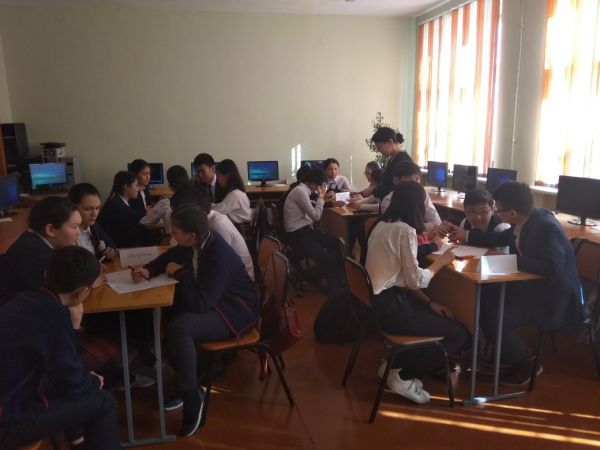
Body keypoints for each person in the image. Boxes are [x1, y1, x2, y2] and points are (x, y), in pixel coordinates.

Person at [130, 205, 260, 437]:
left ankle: (191, 394)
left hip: (237, 311)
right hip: (217, 301)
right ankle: (185, 380)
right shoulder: (199, 241)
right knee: (173, 313)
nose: (171, 235)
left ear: (191, 236)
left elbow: (200, 304)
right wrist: (149, 269)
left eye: (175, 232)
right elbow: (171, 255)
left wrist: (180, 273)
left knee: (180, 327)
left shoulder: (218, 254)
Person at [446, 182, 582, 386]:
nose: (496, 212)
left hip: (552, 297)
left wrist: (510, 260)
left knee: (495, 317)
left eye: (498, 208)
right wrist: (466, 235)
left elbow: (552, 267)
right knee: (485, 302)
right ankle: (503, 355)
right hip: (531, 287)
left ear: (512, 212)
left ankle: (528, 362)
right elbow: (501, 237)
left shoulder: (545, 227)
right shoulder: (526, 219)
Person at [0, 246, 122, 450]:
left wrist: (83, 380)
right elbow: (72, 385)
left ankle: (78, 443)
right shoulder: (53, 316)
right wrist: (93, 381)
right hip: (9, 420)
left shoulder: (23, 300)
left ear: (46, 274)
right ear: (81, 292)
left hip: (14, 396)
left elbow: (63, 370)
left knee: (71, 388)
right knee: (102, 401)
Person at [366, 181, 468, 404]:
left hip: (379, 305)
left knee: (433, 316)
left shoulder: (382, 225)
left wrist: (430, 303)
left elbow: (404, 277)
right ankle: (403, 375)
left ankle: (394, 365)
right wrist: (442, 261)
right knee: (459, 334)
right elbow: (416, 280)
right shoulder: (405, 230)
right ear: (418, 206)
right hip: (393, 310)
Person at [0, 196, 81, 306]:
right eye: (75, 227)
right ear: (51, 230)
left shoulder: (32, 240)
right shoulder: (35, 256)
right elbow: (60, 298)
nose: (79, 232)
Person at [170, 183, 255, 280]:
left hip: (237, 280)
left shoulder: (218, 226)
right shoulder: (200, 223)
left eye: (182, 212)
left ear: (195, 210)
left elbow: (217, 267)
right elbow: (180, 251)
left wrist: (181, 272)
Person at [283, 168, 345, 289]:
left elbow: (311, 205)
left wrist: (327, 202)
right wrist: (321, 197)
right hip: (298, 235)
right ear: (313, 182)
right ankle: (303, 277)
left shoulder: (302, 190)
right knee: (330, 262)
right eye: (319, 186)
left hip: (305, 231)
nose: (318, 189)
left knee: (335, 243)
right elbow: (316, 216)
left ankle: (335, 280)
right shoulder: (300, 192)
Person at [97, 171, 161, 248]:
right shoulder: (117, 205)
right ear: (126, 187)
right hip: (118, 248)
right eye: (136, 186)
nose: (138, 189)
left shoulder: (115, 200)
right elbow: (133, 218)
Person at [380, 161, 442, 232]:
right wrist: (421, 228)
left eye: (417, 179)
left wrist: (417, 228)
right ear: (396, 181)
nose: (415, 184)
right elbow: (400, 231)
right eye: (410, 180)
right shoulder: (387, 201)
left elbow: (437, 222)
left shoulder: (421, 194)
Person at [68, 183, 118, 262]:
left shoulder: (94, 226)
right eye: (88, 209)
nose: (94, 214)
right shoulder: (66, 232)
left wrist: (111, 251)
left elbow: (111, 244)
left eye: (97, 208)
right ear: (73, 208)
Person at [453, 188, 510, 253]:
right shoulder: (464, 223)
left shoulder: (502, 228)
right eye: (472, 211)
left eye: (483, 211)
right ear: (465, 212)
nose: (478, 217)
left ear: (492, 210)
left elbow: (504, 256)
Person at [139, 165, 190, 234]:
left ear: (170, 186)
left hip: (174, 238)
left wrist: (149, 213)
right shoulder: (197, 199)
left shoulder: (165, 203)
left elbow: (145, 222)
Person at [371, 127, 413, 200]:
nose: (378, 150)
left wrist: (373, 192)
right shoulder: (392, 159)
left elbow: (395, 189)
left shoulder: (403, 161)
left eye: (379, 147)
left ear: (390, 142)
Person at [212, 159, 252, 224]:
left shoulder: (235, 194)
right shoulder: (237, 192)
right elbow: (222, 206)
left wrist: (204, 208)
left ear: (227, 175)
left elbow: (218, 210)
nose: (217, 179)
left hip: (239, 228)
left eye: (218, 175)